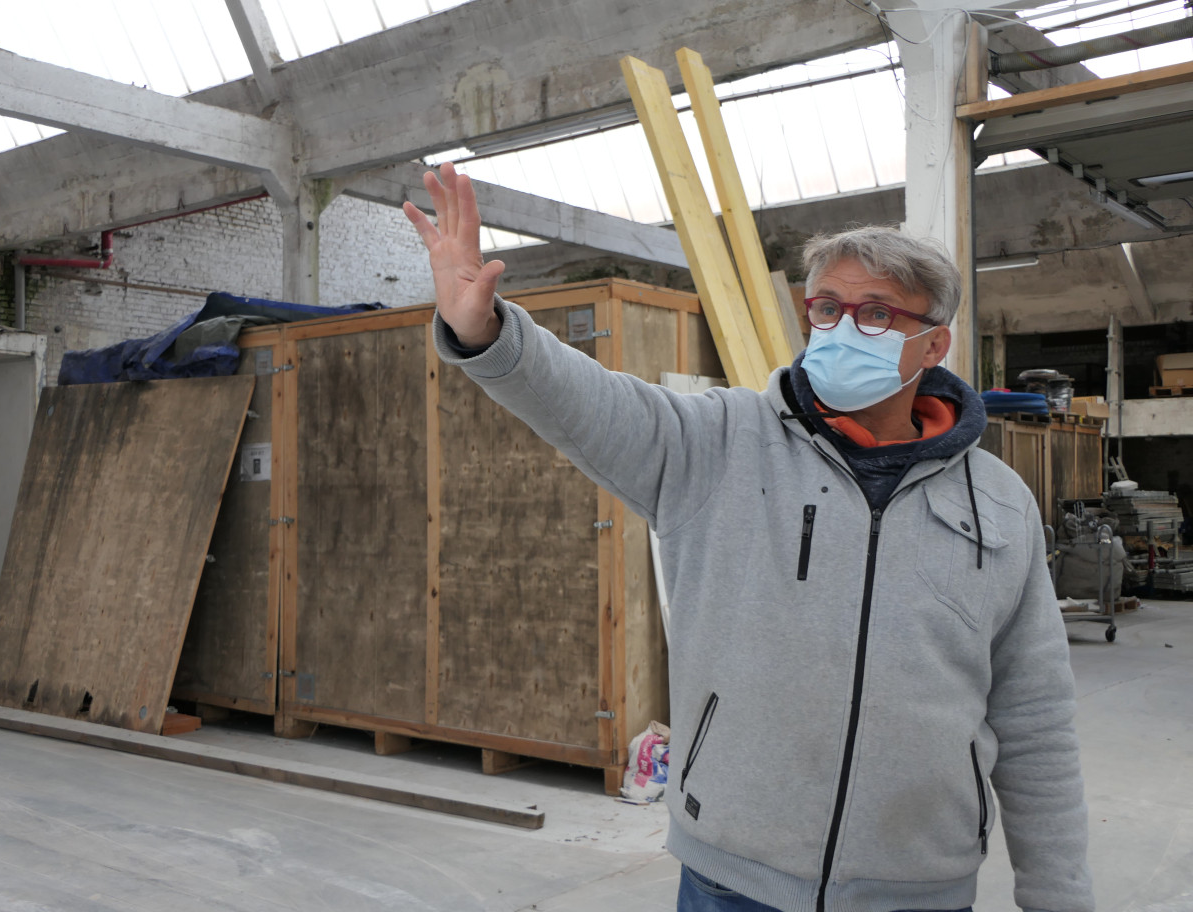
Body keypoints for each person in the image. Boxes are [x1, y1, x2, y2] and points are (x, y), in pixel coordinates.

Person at [403, 163, 1093, 912]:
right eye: (826, 309)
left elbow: (1034, 719)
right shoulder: (717, 444)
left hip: (921, 889)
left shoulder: (997, 503)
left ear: (933, 346)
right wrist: (488, 332)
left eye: (876, 314)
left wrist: (1058, 895)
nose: (841, 329)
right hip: (734, 881)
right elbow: (590, 403)